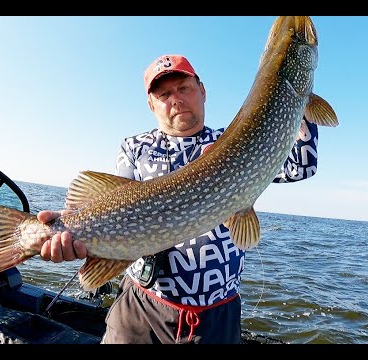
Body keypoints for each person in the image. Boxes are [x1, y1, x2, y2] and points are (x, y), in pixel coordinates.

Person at [37, 54, 319, 344]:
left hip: (216, 317)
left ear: (202, 91)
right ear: (152, 105)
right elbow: (111, 208)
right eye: (164, 94)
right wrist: (70, 231)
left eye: (183, 88)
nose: (175, 99)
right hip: (141, 310)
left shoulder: (234, 141)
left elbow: (301, 166)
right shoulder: (135, 148)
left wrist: (299, 98)